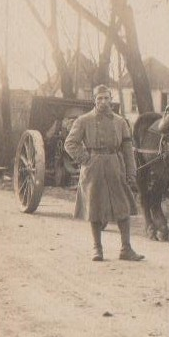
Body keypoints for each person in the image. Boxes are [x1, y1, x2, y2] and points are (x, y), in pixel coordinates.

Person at [64, 84, 144, 262]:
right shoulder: (83, 120)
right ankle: (97, 249)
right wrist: (86, 159)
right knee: (95, 207)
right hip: (94, 167)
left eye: (106, 98)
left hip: (115, 165)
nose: (103, 102)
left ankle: (126, 249)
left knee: (122, 206)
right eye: (99, 98)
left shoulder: (120, 121)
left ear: (111, 99)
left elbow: (127, 148)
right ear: (94, 100)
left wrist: (131, 172)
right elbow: (70, 143)